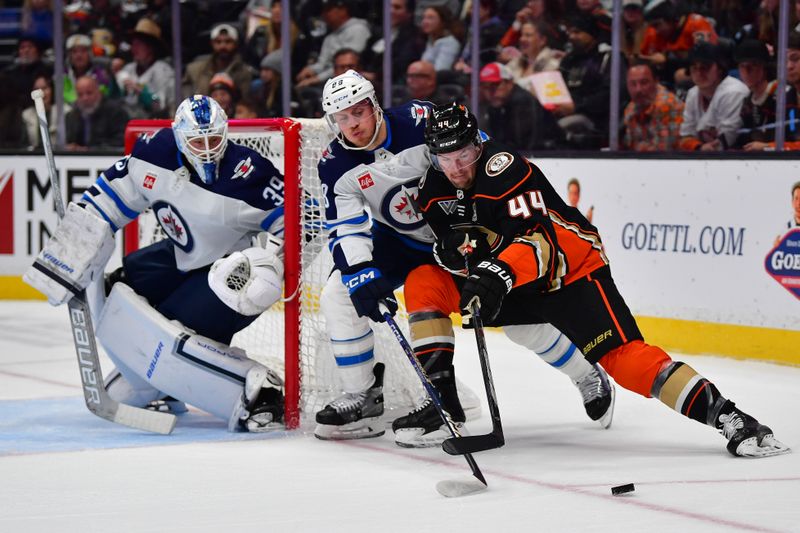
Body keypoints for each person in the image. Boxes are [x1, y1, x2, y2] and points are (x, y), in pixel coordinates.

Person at [404, 101, 788, 458]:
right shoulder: (433, 189)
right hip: (513, 282)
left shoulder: (506, 170)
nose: (456, 167)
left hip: (571, 274)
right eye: (445, 158)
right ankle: (441, 404)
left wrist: (497, 272)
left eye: (464, 155)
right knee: (424, 281)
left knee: (627, 363)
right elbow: (455, 249)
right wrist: (452, 256)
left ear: (478, 145)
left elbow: (541, 242)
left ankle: (734, 420)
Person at [313, 70, 614, 444]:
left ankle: (586, 373)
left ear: (374, 105)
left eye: (358, 112)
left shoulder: (419, 120)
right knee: (339, 294)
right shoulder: (334, 162)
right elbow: (345, 225)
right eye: (341, 118)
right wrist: (359, 271)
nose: (351, 125)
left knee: (518, 320)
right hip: (398, 241)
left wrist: (485, 222)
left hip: (459, 233)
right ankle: (364, 395)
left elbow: (481, 158)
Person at [24, 95, 287, 433]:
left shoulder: (250, 173)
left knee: (171, 332)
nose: (207, 149)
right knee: (115, 290)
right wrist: (73, 248)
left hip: (227, 277)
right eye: (197, 140)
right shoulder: (154, 153)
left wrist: (268, 264)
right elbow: (109, 198)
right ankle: (160, 386)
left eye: (213, 139)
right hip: (180, 256)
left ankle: (259, 391)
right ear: (179, 137)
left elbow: (300, 223)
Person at [477, 61, 563, 151]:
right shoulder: (495, 106)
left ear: (510, 83)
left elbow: (523, 144)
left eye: (496, 84)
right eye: (485, 86)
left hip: (552, 153)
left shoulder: (523, 102)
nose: (491, 91)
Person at [678, 42, 749, 151]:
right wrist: (699, 147)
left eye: (705, 67)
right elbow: (685, 137)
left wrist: (699, 147)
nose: (699, 73)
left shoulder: (734, 92)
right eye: (694, 68)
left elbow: (727, 141)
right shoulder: (692, 93)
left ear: (720, 68)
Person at [295, 0, 371, 88]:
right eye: (323, 10)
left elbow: (347, 66)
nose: (324, 14)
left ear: (343, 10)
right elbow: (322, 63)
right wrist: (311, 69)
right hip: (329, 81)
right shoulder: (329, 37)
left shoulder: (358, 29)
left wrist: (317, 78)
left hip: (351, 83)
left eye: (329, 10)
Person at [115, 18, 175, 119]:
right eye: (133, 44)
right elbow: (115, 100)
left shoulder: (164, 71)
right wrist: (115, 79)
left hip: (152, 125)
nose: (133, 49)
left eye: (138, 44)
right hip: (127, 125)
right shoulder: (128, 69)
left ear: (150, 47)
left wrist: (141, 91)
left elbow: (160, 106)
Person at [622, 61, 684, 151]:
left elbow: (663, 151)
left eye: (644, 82)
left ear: (656, 81)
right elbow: (630, 146)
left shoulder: (666, 105)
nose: (638, 89)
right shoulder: (630, 109)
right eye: (633, 84)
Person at [183, 23, 254, 100]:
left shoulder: (244, 73)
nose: (223, 46)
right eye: (218, 42)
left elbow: (244, 102)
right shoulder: (195, 70)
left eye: (228, 41)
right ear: (212, 43)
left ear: (236, 44)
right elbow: (185, 97)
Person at [64, 76, 129, 150]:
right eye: (80, 95)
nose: (85, 98)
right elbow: (67, 141)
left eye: (89, 93)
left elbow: (120, 141)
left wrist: (90, 149)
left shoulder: (116, 112)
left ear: (99, 92)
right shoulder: (71, 116)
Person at [23, 75, 72, 149]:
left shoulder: (65, 111)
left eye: (44, 88)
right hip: (33, 157)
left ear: (52, 89)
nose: (41, 93)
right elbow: (23, 144)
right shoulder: (26, 115)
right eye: (36, 89)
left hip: (60, 156)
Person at [420, 5, 462, 71]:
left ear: (443, 22)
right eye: (424, 18)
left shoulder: (450, 43)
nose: (425, 22)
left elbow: (441, 70)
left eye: (430, 18)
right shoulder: (428, 40)